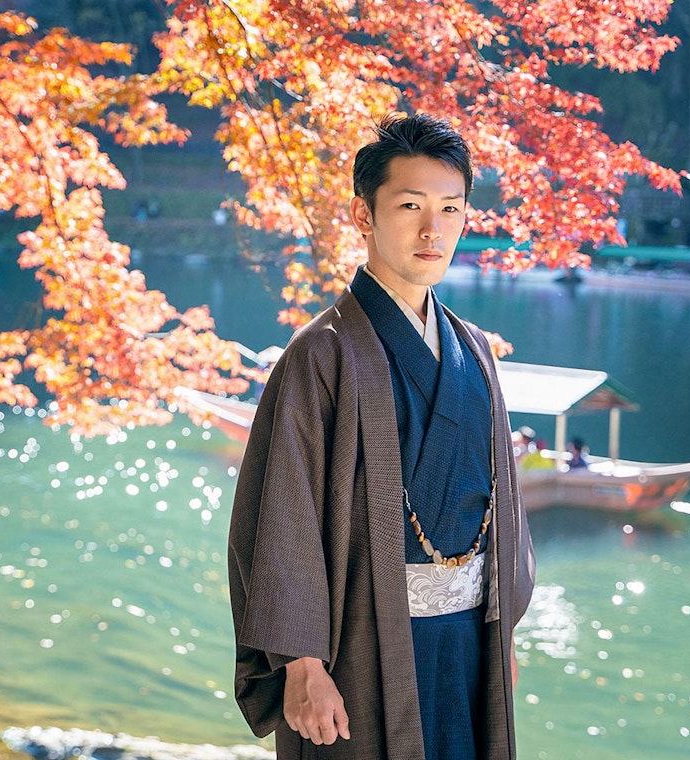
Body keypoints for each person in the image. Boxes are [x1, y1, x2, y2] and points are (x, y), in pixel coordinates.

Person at [228, 113, 537, 760]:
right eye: (410, 205)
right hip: (363, 644)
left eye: (451, 208)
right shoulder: (323, 354)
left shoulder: (475, 351)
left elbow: (499, 505)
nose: (434, 229)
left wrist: (501, 631)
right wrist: (301, 665)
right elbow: (284, 515)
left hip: (466, 642)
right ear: (363, 215)